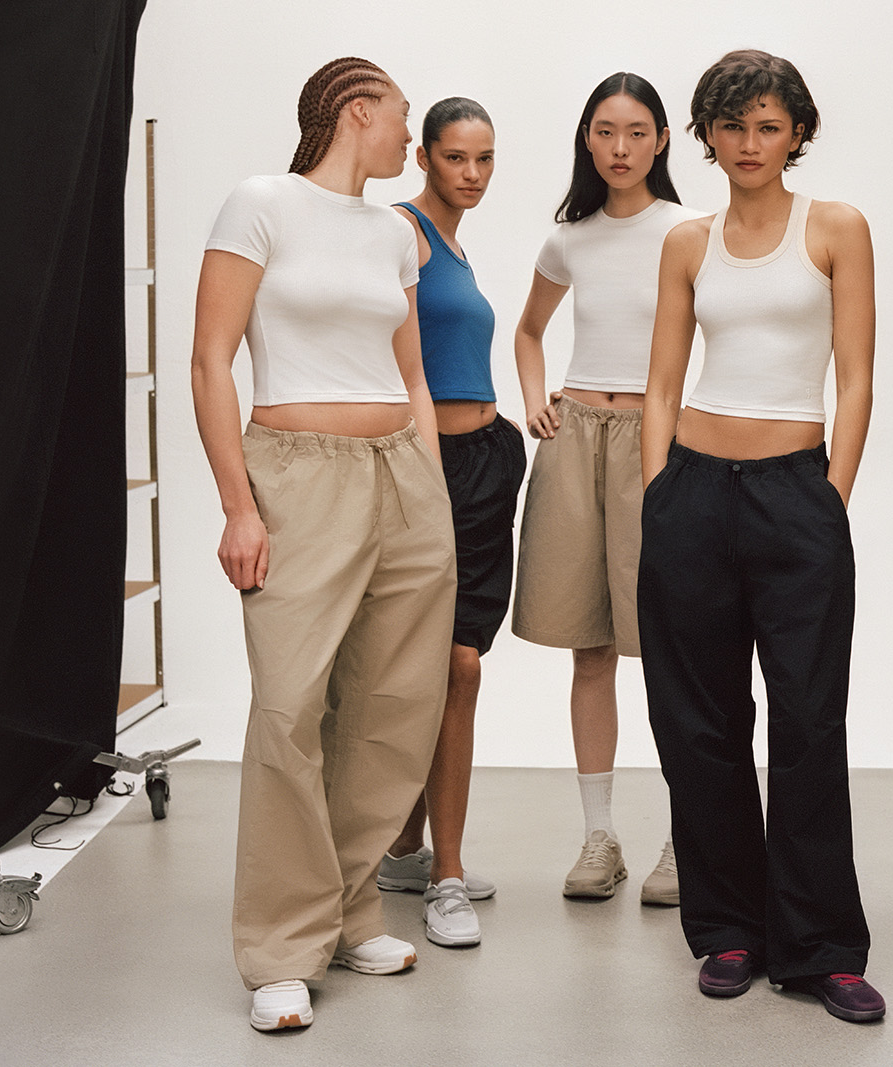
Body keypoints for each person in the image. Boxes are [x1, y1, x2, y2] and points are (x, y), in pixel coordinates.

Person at [192, 56, 456, 1031]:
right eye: (402, 118)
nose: (409, 137)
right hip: (296, 472)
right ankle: (279, 946)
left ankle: (345, 910)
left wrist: (427, 480)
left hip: (402, 476)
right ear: (357, 113)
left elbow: (414, 376)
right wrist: (239, 504)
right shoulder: (260, 203)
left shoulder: (397, 234)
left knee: (393, 706)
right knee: (290, 707)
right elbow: (209, 357)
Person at [638, 49, 883, 1023]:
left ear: (796, 134)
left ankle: (821, 944)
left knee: (809, 720)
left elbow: (856, 376)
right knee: (699, 724)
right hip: (693, 492)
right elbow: (660, 380)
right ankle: (729, 927)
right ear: (706, 134)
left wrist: (830, 497)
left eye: (768, 126)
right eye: (733, 126)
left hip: (796, 493)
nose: (749, 144)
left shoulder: (836, 229)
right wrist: (660, 491)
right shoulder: (685, 244)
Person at [510, 72, 704, 905]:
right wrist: (535, 399)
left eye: (635, 132)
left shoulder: (690, 231)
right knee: (591, 647)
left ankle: (686, 840)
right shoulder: (571, 238)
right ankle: (600, 837)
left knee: (673, 648)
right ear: (586, 140)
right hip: (578, 435)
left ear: (661, 139)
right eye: (602, 131)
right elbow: (528, 330)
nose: (618, 148)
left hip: (660, 445)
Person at [377, 97, 525, 950]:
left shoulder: (455, 247)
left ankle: (404, 844)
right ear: (424, 157)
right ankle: (445, 875)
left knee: (456, 661)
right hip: (430, 467)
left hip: (484, 463)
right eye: (456, 157)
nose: (472, 174)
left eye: (486, 158)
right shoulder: (399, 230)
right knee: (452, 666)